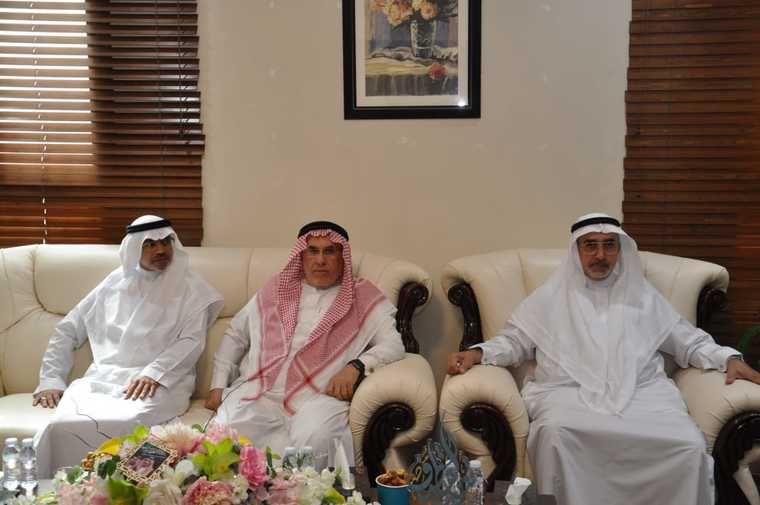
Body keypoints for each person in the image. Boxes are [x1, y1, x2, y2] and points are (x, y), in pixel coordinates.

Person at [447, 212, 760, 505]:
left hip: (641, 394)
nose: (600, 255)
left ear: (620, 250)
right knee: (555, 434)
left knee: (688, 444)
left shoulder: (642, 297)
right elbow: (514, 341)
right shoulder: (550, 298)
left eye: (609, 245)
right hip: (567, 392)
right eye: (591, 246)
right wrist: (479, 352)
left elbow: (687, 341)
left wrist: (727, 358)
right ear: (577, 250)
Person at [32, 215, 224, 477]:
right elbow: (67, 329)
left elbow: (191, 342)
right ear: (133, 248)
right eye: (150, 244)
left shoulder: (192, 288)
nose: (161, 250)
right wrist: (51, 378)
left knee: (131, 422)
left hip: (162, 381)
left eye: (166, 242)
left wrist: (154, 373)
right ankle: (67, 488)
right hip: (103, 379)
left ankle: (127, 488)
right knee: (62, 424)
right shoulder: (112, 285)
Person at [205, 221, 404, 468]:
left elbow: (393, 344)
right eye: (313, 251)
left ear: (342, 257)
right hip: (263, 390)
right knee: (224, 432)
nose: (320, 260)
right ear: (301, 255)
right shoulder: (276, 289)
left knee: (317, 437)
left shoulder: (362, 296)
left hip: (318, 397)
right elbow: (236, 333)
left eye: (329, 251)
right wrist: (218, 384)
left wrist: (356, 366)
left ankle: (296, 489)